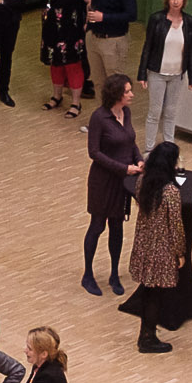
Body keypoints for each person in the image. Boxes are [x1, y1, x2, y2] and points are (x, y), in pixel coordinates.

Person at [121, 142, 192, 354]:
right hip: (161, 249)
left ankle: (146, 332)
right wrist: (180, 252)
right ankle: (147, 337)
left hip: (143, 244)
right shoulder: (170, 192)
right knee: (155, 294)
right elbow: (175, 226)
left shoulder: (142, 182)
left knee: (148, 289)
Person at [79, 76, 141, 291]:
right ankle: (88, 274)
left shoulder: (127, 113)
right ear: (116, 94)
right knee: (97, 226)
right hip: (103, 181)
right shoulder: (99, 118)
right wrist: (123, 168)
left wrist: (139, 159)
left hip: (121, 181)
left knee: (117, 227)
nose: (131, 94)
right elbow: (94, 152)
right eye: (127, 91)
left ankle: (114, 274)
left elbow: (130, 141)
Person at [140, 0, 192, 145]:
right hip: (157, 73)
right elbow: (147, 47)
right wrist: (142, 73)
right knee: (154, 112)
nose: (176, 2)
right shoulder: (156, 19)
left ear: (183, 1)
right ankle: (149, 148)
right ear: (167, 0)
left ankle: (169, 146)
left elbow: (191, 52)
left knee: (171, 112)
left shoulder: (189, 21)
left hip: (177, 74)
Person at [87, 0, 139, 103]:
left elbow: (131, 15)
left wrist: (104, 17)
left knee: (115, 86)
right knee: (98, 83)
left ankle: (116, 122)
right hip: (94, 37)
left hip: (113, 41)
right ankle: (101, 120)